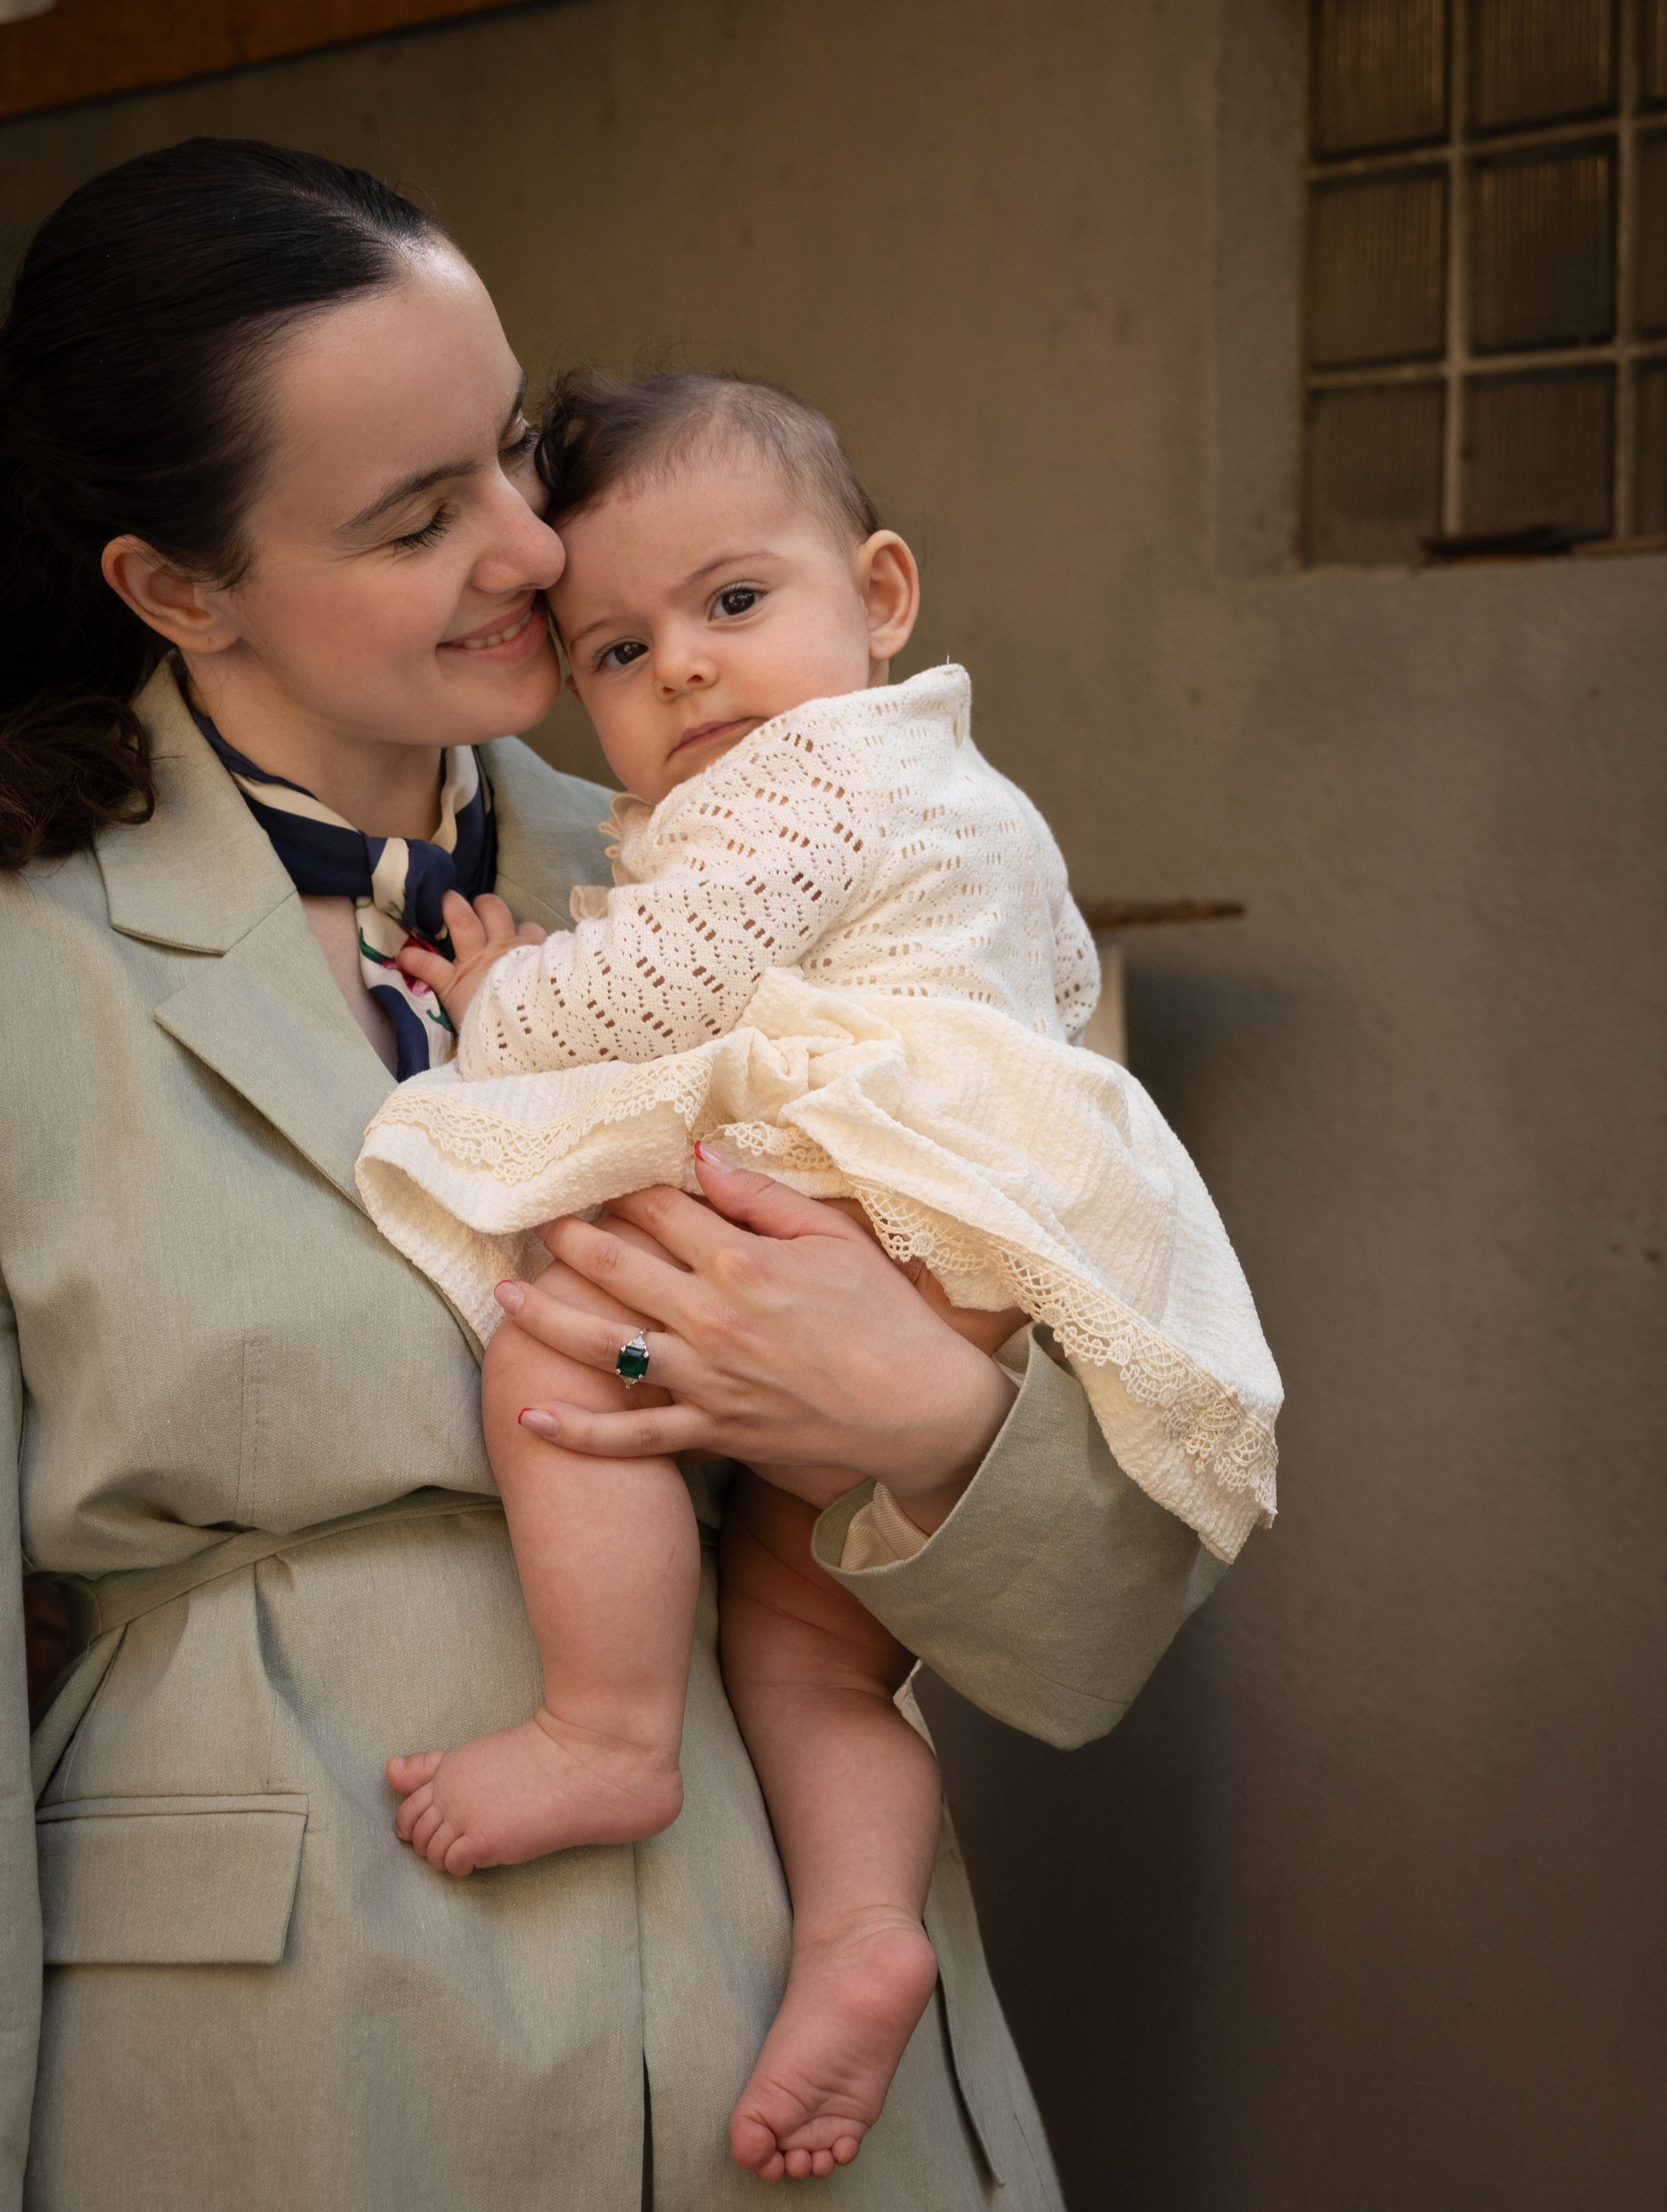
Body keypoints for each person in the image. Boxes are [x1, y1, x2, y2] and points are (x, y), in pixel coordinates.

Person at [0, 137, 1224, 2212]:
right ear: (175, 585)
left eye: (507, 454)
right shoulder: (34, 960)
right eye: (417, 515)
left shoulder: (823, 850)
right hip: (278, 2053)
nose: (530, 547)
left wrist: (927, 1413)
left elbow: (1108, 1595)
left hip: (788, 2000)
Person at [357, 373, 1283, 2180]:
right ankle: (861, 1932)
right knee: (816, 1662)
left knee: (562, 1346)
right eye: (616, 648)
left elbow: (641, 987)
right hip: (972, 1234)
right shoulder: (947, 783)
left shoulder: (798, 788)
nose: (685, 671)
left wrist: (497, 1002)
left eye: (731, 603)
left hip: (849, 1216)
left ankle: (603, 1722)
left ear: (881, 592)